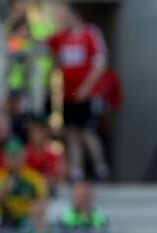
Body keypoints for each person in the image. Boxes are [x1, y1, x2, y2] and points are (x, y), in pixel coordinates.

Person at [47, 3, 111, 181]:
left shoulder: (90, 33)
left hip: (88, 95)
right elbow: (48, 50)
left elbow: (101, 63)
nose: (62, 18)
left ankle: (100, 168)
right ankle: (77, 171)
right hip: (68, 94)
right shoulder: (61, 37)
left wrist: (86, 87)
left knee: (88, 132)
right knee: (71, 132)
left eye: (64, 15)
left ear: (74, 15)